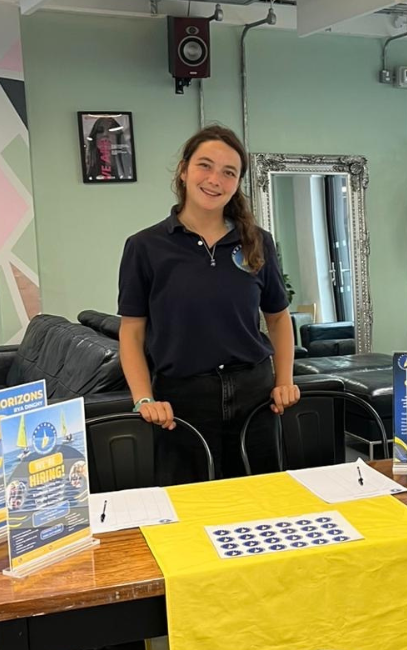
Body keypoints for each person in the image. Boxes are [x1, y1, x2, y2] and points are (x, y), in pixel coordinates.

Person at [117, 124, 299, 483]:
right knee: (189, 513)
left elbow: (278, 319)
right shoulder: (145, 247)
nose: (215, 179)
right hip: (183, 401)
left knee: (263, 502)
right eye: (205, 165)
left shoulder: (257, 242)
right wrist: (143, 399)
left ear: (236, 183)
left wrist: (284, 380)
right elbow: (132, 333)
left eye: (229, 172)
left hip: (255, 396)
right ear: (183, 171)